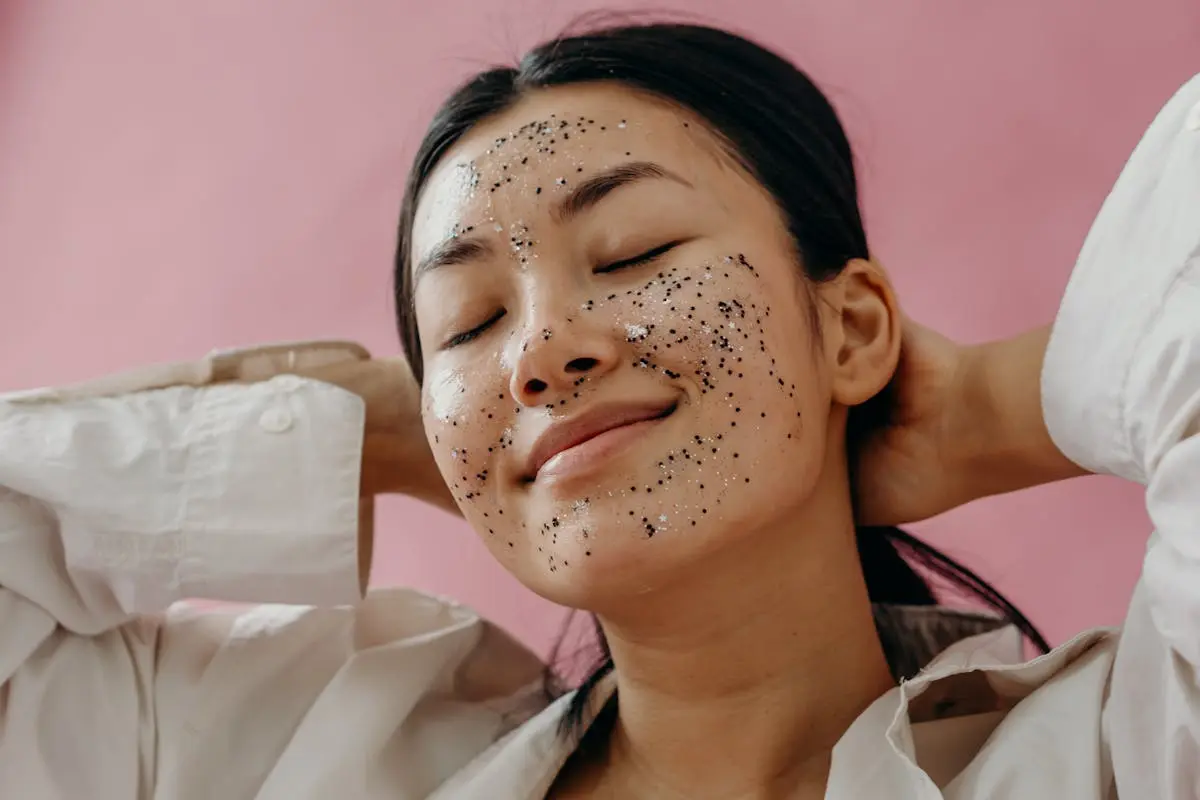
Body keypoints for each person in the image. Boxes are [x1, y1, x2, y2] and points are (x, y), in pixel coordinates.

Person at [0, 19, 1196, 800]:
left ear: (851, 325)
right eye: (467, 324)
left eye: (631, 250)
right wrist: (357, 437)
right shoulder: (299, 748)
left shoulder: (1121, 751)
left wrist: (989, 410)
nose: (539, 352)